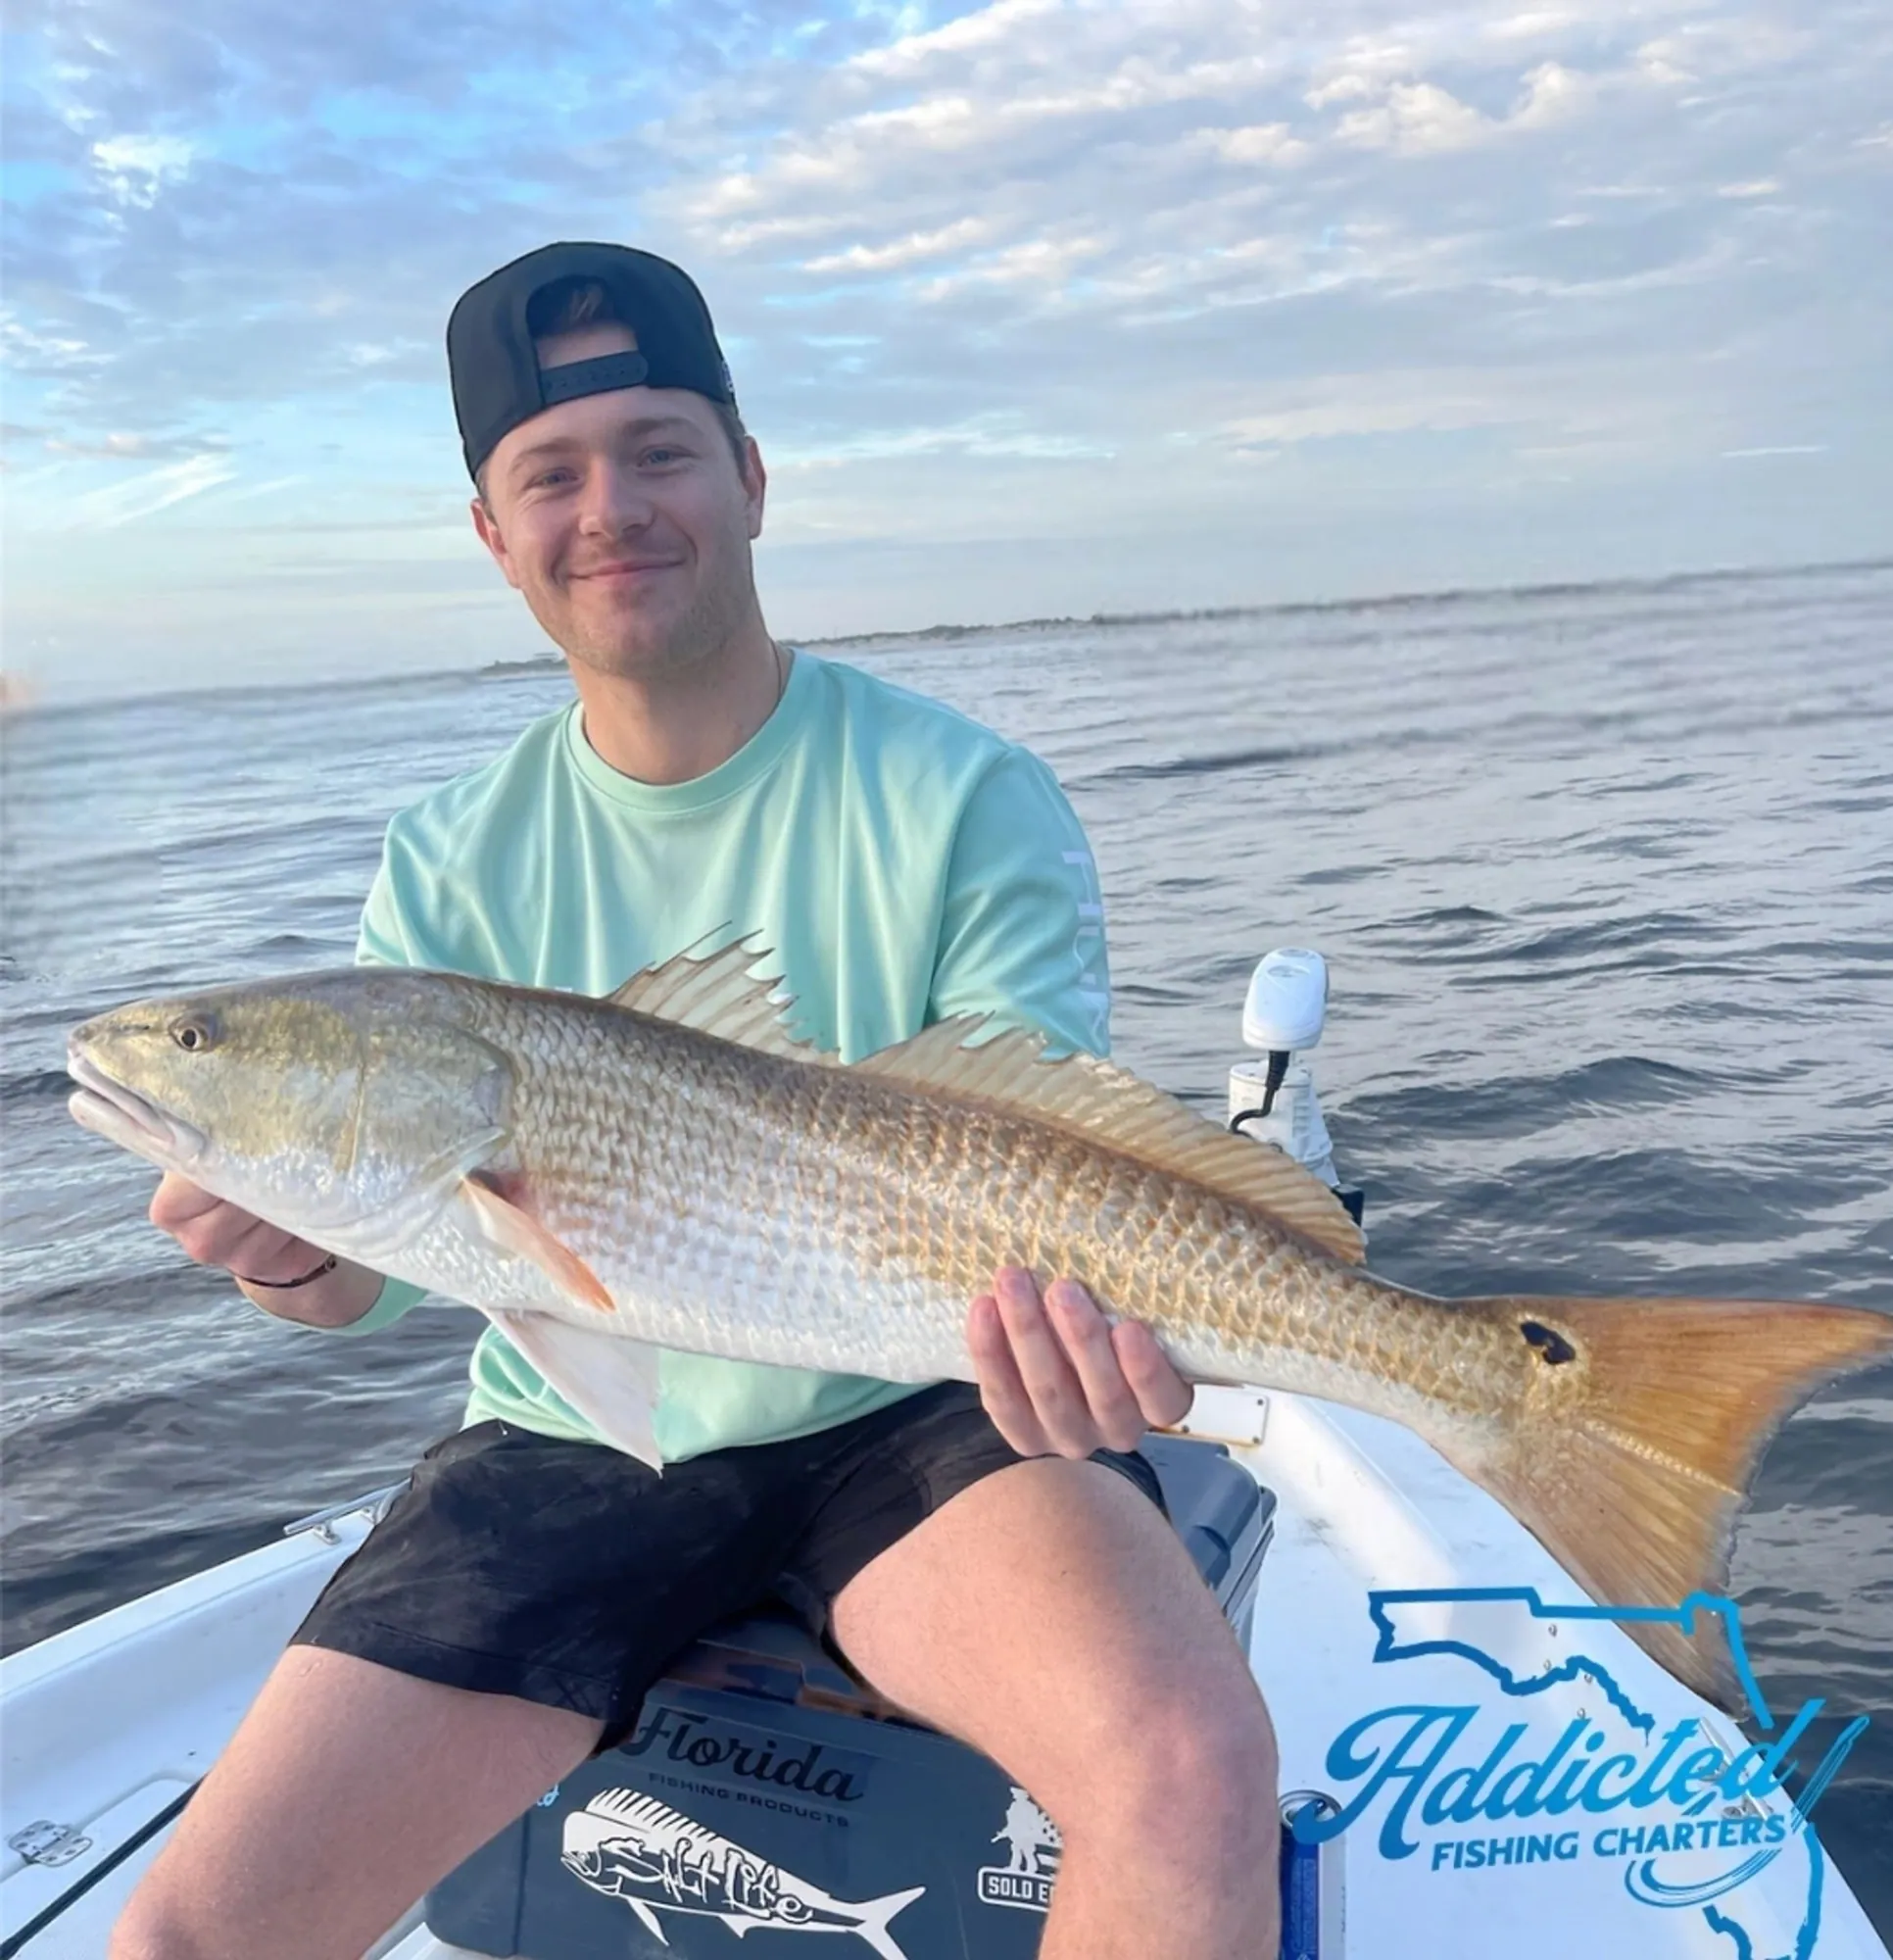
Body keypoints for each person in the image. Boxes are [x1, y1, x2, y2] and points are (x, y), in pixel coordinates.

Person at [116, 241, 1280, 1960]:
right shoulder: (446, 858)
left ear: (746, 475)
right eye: (551, 474)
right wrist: (281, 1250)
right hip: (570, 1428)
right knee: (188, 1935)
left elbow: (1047, 1146)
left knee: (1186, 1769)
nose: (612, 508)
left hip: (919, 1398)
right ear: (493, 536)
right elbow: (356, 1280)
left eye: (660, 449)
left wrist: (1099, 1324)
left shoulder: (963, 789)